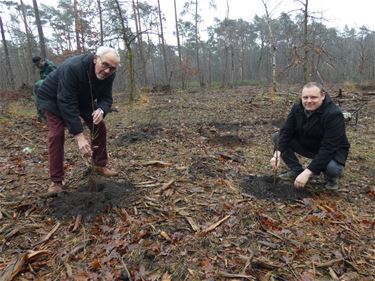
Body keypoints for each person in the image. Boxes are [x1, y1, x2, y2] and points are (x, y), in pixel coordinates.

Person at [37, 46, 120, 194]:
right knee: (56, 134)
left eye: (112, 68)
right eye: (105, 65)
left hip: (82, 98)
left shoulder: (110, 75)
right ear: (95, 59)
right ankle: (56, 181)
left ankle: (99, 165)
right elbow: (66, 101)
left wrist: (101, 110)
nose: (107, 70)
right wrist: (79, 135)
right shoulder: (73, 67)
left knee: (99, 126)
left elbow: (106, 97)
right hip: (52, 98)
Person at [270, 82, 350, 190]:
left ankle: (331, 178)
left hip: (332, 151)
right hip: (308, 143)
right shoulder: (297, 108)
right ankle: (296, 171)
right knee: (278, 137)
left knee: (332, 168)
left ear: (323, 96)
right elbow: (286, 131)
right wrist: (277, 152)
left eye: (313, 97)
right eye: (305, 97)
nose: (308, 101)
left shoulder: (334, 114)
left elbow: (329, 148)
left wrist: (308, 173)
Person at [32, 56, 57, 121]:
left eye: (38, 64)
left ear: (41, 61)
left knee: (37, 85)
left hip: (54, 87)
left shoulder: (50, 66)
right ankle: (42, 114)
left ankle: (43, 114)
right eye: (36, 65)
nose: (37, 66)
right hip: (48, 88)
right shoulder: (43, 69)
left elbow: (56, 77)